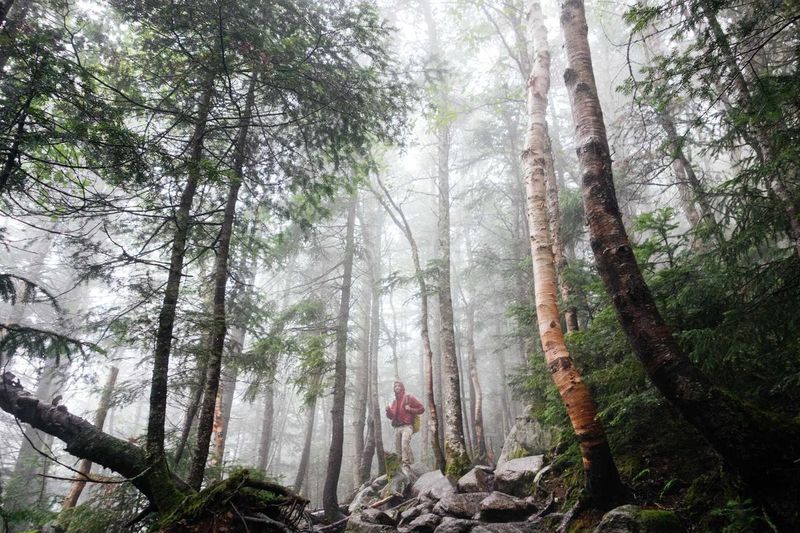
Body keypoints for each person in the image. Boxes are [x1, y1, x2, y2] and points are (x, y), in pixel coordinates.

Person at [385, 380, 424, 478]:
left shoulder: (409, 398)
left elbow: (421, 409)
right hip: (397, 428)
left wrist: (410, 409)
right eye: (395, 386)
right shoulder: (394, 401)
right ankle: (401, 469)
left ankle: (406, 466)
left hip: (407, 426)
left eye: (399, 386)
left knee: (404, 444)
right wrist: (388, 411)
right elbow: (392, 416)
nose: (397, 388)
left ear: (402, 387)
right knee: (398, 450)